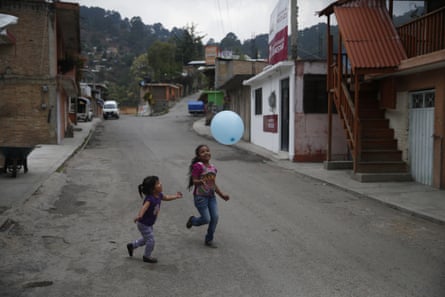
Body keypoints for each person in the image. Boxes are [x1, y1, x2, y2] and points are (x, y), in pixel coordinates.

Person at [126, 176, 182, 263]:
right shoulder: (150, 199)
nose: (161, 184)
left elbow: (166, 197)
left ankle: (132, 245)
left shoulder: (159, 195)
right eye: (158, 184)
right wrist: (139, 216)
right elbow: (144, 208)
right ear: (153, 189)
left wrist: (176, 196)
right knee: (151, 240)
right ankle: (146, 256)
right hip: (143, 224)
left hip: (149, 224)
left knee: (146, 239)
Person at [186, 144, 230, 248]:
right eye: (202, 152)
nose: (206, 153)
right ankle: (193, 220)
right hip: (200, 197)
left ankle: (209, 239)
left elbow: (213, 184)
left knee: (215, 217)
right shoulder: (198, 166)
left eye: (207, 150)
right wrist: (200, 181)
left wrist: (222, 195)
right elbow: (194, 180)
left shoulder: (213, 168)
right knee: (206, 219)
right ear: (198, 156)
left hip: (211, 197)